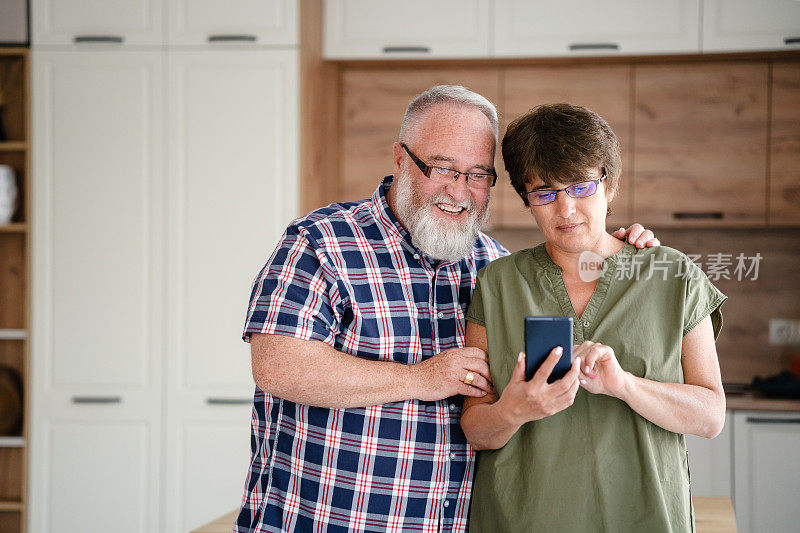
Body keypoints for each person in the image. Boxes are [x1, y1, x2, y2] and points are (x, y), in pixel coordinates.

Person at [233, 87, 658, 533]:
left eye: (478, 174)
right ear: (400, 158)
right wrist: (420, 379)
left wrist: (618, 250)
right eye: (442, 168)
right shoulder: (321, 243)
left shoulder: (493, 266)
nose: (459, 190)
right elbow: (277, 366)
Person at [460, 103, 727, 533]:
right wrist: (514, 410)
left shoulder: (672, 275)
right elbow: (475, 428)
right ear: (526, 199)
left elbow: (711, 416)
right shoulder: (498, 284)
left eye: (581, 187)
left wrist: (624, 386)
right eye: (544, 192)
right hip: (523, 519)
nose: (565, 210)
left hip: (645, 517)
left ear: (610, 186)